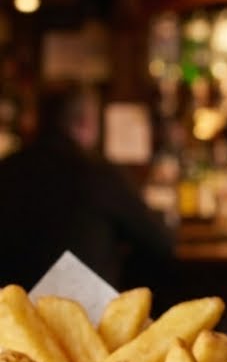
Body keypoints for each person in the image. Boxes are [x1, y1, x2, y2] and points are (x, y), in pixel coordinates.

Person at [0, 83, 173, 290]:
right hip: (89, 308)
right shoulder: (99, 173)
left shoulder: (6, 170)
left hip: (9, 307)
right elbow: (160, 242)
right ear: (86, 122)